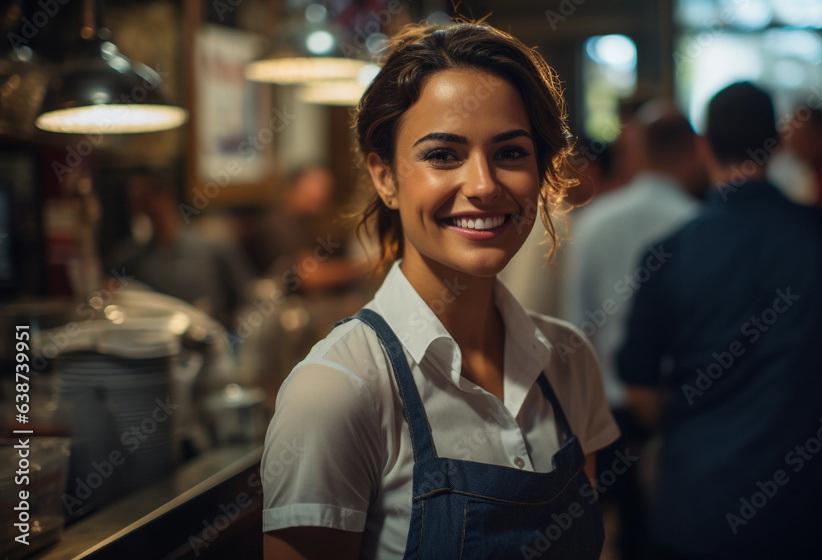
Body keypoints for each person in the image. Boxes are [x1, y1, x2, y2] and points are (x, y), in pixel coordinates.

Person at [261, 22, 620, 560]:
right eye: (442, 155)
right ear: (384, 177)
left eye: (511, 153)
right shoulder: (336, 392)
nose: (482, 185)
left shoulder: (569, 360)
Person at [616, 82, 822, 559]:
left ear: (703, 148)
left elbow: (639, 391)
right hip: (808, 512)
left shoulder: (669, 253)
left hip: (696, 511)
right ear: (778, 144)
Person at [561, 101, 707, 559]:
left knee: (608, 531)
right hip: (677, 401)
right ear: (693, 150)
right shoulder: (698, 223)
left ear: (636, 151)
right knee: (673, 528)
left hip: (605, 404)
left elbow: (572, 323)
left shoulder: (593, 221)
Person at [105, 166, 253, 330]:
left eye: (146, 197)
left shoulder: (213, 248)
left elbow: (244, 297)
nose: (141, 205)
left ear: (168, 195)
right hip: (157, 341)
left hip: (209, 337)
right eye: (134, 199)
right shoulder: (129, 259)